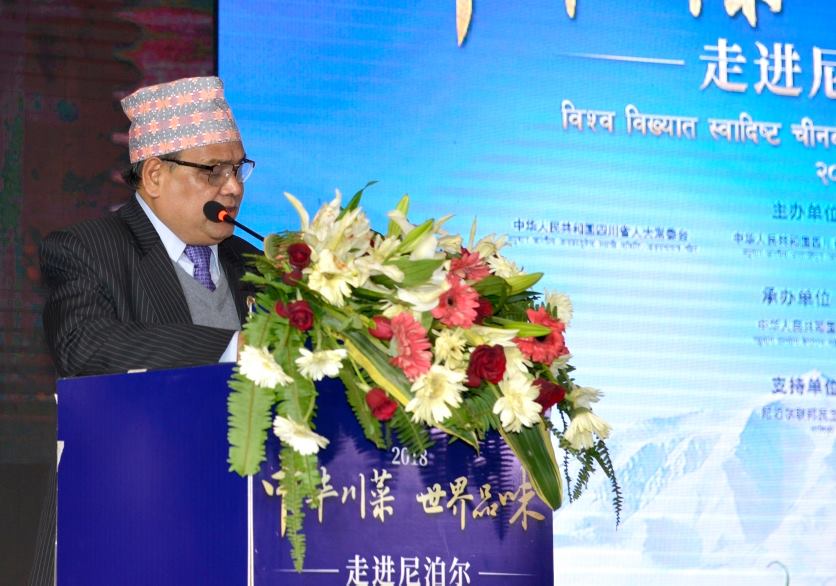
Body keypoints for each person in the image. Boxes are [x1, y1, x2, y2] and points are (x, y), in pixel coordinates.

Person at [40, 76, 260, 377]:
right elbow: (85, 345)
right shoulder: (85, 250)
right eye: (214, 170)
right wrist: (232, 348)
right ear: (154, 176)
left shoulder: (255, 264)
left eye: (237, 169)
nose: (234, 187)